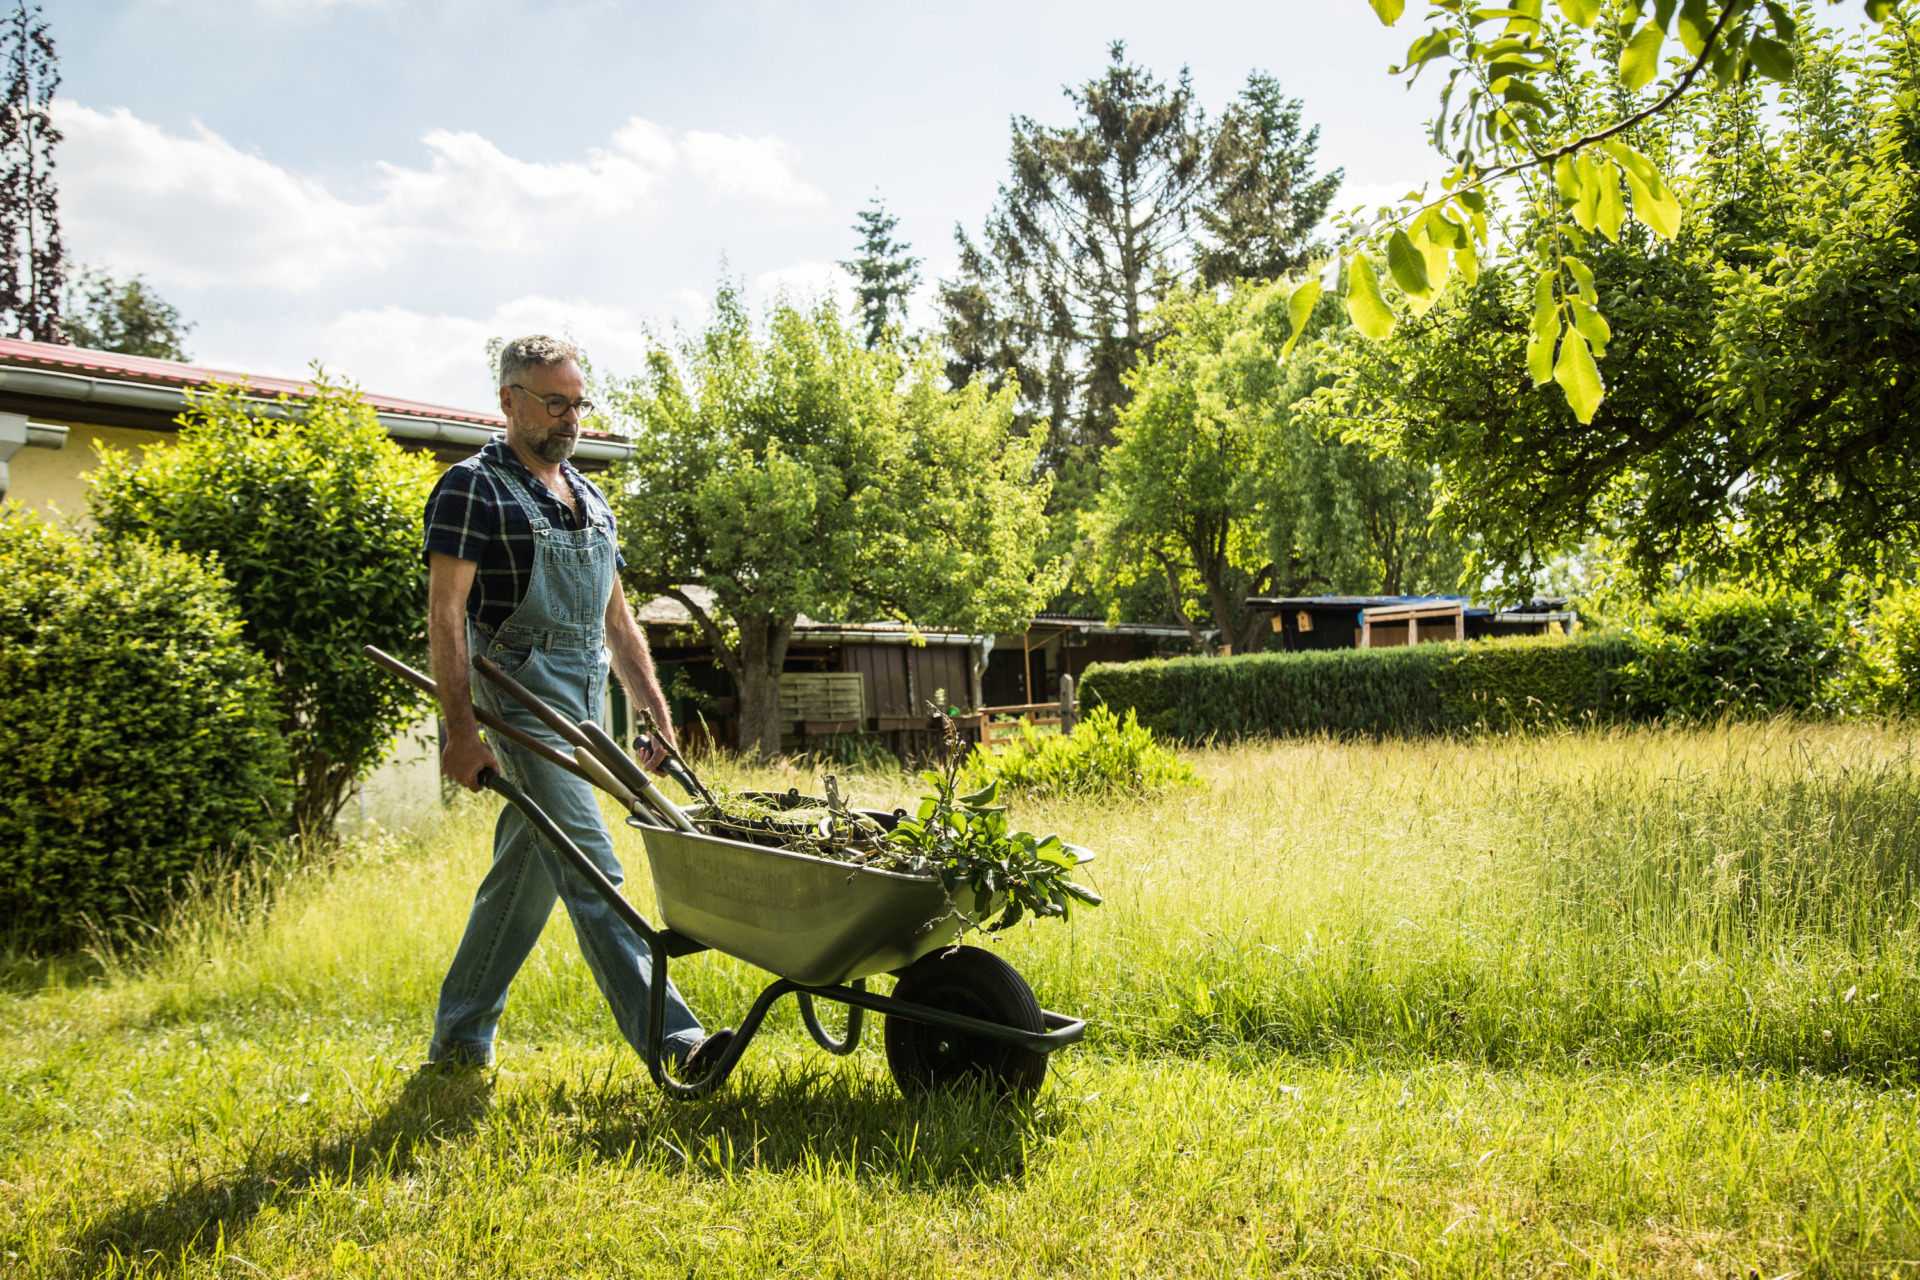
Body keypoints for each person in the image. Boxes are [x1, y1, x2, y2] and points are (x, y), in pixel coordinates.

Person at [420, 333, 730, 1076]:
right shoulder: (473, 487)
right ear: (509, 401)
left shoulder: (589, 496)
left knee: (525, 870)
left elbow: (618, 623)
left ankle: (460, 1040)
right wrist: (459, 734)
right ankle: (676, 1042)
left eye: (577, 404)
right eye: (554, 404)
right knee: (593, 864)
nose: (570, 419)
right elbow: (446, 618)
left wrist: (652, 709)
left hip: (584, 702)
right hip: (520, 701)